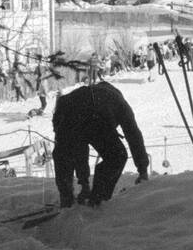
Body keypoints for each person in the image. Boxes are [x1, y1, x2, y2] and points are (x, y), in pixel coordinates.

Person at [52, 76, 150, 207]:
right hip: (94, 116)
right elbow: (133, 134)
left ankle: (67, 198)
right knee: (117, 156)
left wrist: (84, 182)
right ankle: (98, 199)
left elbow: (80, 144)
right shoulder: (118, 101)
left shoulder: (87, 93)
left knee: (64, 154)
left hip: (65, 110)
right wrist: (142, 169)